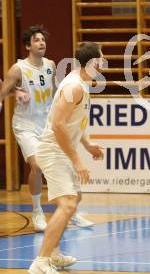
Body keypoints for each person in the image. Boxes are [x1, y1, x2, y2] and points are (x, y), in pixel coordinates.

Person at [0, 25, 93, 231]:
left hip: (46, 125)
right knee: (37, 165)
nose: (41, 42)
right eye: (36, 40)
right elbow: (2, 91)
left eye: (43, 39)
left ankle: (71, 211)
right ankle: (37, 210)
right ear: (27, 46)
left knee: (64, 164)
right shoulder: (17, 69)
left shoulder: (50, 65)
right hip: (25, 125)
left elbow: (57, 93)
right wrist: (16, 93)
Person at [28, 42, 105, 274]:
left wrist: (87, 144)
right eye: (102, 57)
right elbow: (58, 125)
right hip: (53, 149)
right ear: (93, 62)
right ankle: (40, 262)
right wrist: (78, 161)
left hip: (60, 149)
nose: (104, 61)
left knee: (74, 200)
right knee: (68, 203)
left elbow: (73, 123)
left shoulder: (82, 83)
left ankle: (53, 253)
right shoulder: (75, 86)